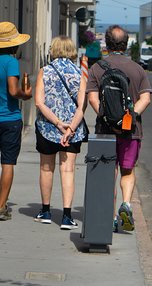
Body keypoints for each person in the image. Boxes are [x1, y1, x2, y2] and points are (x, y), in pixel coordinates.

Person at [87, 25, 152, 232]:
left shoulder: (97, 67)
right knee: (127, 170)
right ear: (125, 44)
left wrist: (107, 117)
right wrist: (129, 117)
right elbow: (146, 98)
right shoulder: (137, 69)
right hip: (130, 130)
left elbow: (92, 98)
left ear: (106, 43)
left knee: (108, 171)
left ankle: (109, 213)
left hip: (105, 130)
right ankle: (126, 204)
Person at [0, 21, 33, 221]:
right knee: (8, 162)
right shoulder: (11, 62)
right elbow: (13, 90)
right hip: (10, 118)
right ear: (13, 45)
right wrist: (25, 94)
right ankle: (2, 207)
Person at [34, 36, 88, 230]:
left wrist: (58, 124)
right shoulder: (80, 73)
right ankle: (66, 216)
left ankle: (46, 211)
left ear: (54, 50)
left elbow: (39, 102)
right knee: (68, 170)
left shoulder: (45, 71)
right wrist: (70, 128)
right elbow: (82, 106)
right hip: (73, 131)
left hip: (47, 128)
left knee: (46, 168)